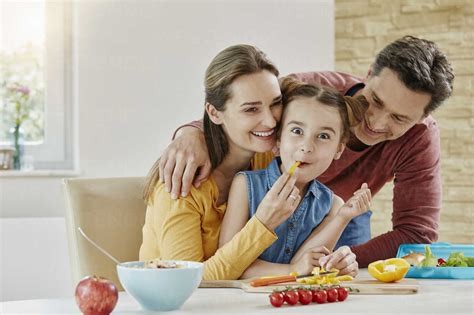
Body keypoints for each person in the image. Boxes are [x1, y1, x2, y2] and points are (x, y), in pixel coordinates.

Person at [158, 36, 455, 268]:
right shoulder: (313, 90)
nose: (375, 122)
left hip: (339, 213)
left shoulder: (421, 138)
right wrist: (192, 131)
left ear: (420, 119)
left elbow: (416, 233)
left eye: (399, 118)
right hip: (276, 207)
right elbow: (249, 109)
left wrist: (340, 258)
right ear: (368, 75)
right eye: (375, 100)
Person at [139, 44, 358, 280]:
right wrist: (264, 224)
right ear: (214, 113)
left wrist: (331, 260)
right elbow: (188, 282)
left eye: (275, 103)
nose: (270, 121)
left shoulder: (267, 156)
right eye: (251, 109)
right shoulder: (180, 185)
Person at [219, 77, 372, 278]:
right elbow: (229, 265)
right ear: (279, 138)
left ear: (339, 149)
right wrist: (293, 270)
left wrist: (343, 219)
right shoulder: (245, 185)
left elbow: (306, 267)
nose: (307, 146)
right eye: (297, 131)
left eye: (324, 136)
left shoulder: (332, 206)